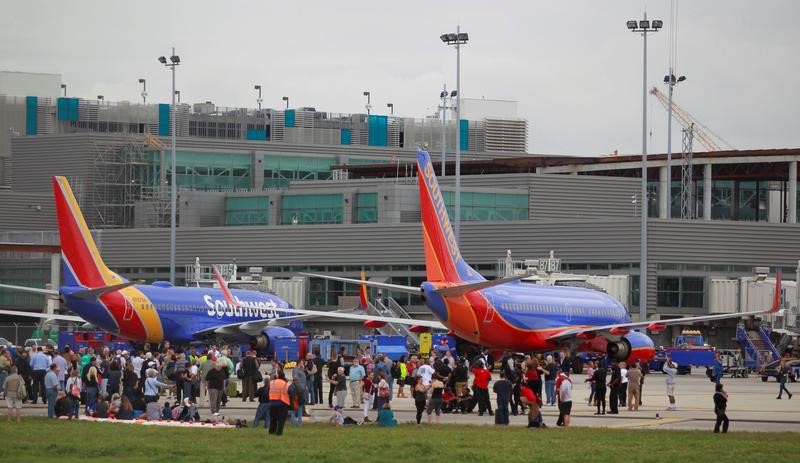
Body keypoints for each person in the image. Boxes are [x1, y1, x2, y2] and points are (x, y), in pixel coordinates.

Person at [268, 371, 291, 436]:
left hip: (272, 403)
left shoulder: (272, 382)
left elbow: (267, 390)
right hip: (282, 403)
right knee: (281, 419)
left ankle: (271, 432)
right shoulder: (286, 384)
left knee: (273, 418)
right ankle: (279, 433)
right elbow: (291, 392)